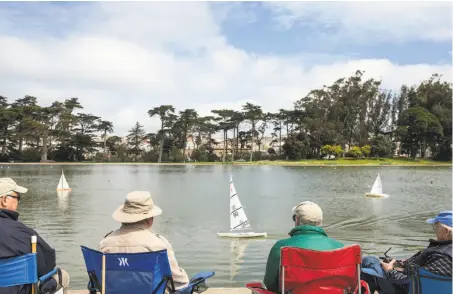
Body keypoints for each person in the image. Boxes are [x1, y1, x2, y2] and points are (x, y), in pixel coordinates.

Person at [99, 191, 189, 292]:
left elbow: (98, 280)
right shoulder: (158, 245)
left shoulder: (104, 244)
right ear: (149, 218)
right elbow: (179, 283)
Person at [0, 177, 70, 294]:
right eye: (17, 198)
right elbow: (47, 264)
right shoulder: (22, 233)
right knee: (63, 276)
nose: (18, 202)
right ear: (4, 200)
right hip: (16, 291)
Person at [361, 210, 453, 294]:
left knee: (368, 262)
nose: (435, 231)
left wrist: (389, 270)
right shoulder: (444, 253)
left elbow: (409, 281)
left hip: (406, 289)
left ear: (446, 231)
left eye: (436, 227)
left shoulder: (440, 257)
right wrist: (403, 263)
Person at [263, 201, 344, 292]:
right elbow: (348, 282)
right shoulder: (339, 247)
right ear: (321, 222)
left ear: (297, 220)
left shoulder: (281, 247)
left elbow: (270, 283)